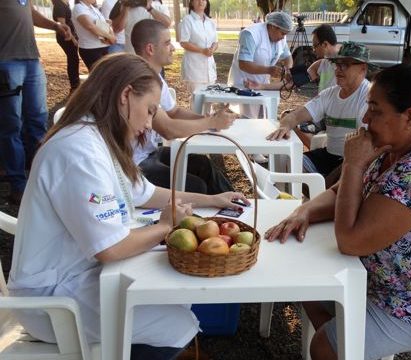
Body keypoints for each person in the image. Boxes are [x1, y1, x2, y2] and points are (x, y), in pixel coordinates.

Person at [7, 54, 249, 358]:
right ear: (125, 96)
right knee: (176, 324)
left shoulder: (96, 138)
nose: (150, 124)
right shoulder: (79, 151)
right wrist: (165, 225)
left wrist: (212, 200)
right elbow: (111, 249)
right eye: (149, 111)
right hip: (53, 299)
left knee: (174, 301)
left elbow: (144, 193)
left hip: (75, 274)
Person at [265, 63, 411, 360]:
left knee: (325, 346)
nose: (364, 117)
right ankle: (350, 345)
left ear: (410, 117)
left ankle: (344, 346)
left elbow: (350, 241)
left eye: (374, 109)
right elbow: (341, 193)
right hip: (393, 284)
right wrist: (305, 211)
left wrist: (353, 164)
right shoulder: (397, 146)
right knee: (306, 286)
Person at [131, 19, 237, 194]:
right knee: (196, 187)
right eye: (167, 43)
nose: (173, 47)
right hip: (133, 165)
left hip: (149, 152)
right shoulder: (139, 80)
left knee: (204, 165)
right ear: (150, 49)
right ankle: (215, 216)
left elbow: (174, 111)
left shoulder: (155, 78)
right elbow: (168, 129)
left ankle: (239, 207)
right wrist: (211, 122)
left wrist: (209, 119)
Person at [267, 41, 371, 182]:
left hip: (356, 163)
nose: (338, 70)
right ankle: (315, 196)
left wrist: (329, 184)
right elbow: (294, 116)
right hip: (330, 155)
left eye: (345, 65)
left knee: (323, 185)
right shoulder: (330, 94)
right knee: (290, 164)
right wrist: (285, 126)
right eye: (336, 64)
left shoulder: (369, 97)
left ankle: (318, 198)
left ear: (363, 69)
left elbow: (368, 146)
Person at [0, 0, 71, 205]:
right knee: (11, 127)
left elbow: (30, 13)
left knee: (38, 122)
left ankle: (40, 180)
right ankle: (18, 186)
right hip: (6, 62)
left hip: (32, 60)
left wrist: (56, 25)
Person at [228, 11, 294, 119]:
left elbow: (288, 57)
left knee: (263, 122)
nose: (283, 37)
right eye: (282, 33)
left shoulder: (280, 38)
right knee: (246, 122)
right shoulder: (251, 34)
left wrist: (288, 70)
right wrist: (269, 70)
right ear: (273, 26)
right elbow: (244, 64)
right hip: (244, 84)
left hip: (263, 86)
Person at [179, 0, 217, 95]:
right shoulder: (188, 20)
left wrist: (212, 49)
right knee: (197, 103)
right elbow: (184, 42)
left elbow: (216, 42)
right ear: (191, 3)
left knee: (210, 101)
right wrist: (202, 50)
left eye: (203, 0)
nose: (201, 1)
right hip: (195, 69)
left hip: (210, 69)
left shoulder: (210, 22)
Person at [72, 0, 116, 70]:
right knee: (99, 75)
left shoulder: (93, 8)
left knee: (106, 74)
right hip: (91, 48)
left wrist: (106, 22)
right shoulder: (79, 8)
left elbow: (97, 24)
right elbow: (90, 26)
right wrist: (109, 36)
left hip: (103, 45)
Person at [51, 0, 81, 92]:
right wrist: (73, 39)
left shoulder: (65, 3)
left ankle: (76, 83)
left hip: (69, 35)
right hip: (65, 36)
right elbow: (63, 25)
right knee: (73, 59)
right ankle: (74, 85)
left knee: (74, 59)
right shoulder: (59, 5)